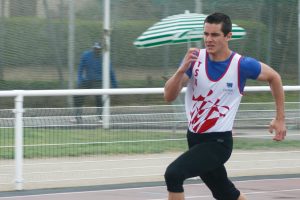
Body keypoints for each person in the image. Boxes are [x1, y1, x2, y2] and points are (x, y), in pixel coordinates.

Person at [163, 12, 286, 200]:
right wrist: (181, 70)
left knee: (174, 174)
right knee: (226, 194)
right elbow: (169, 96)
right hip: (194, 139)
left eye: (215, 35)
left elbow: (274, 77)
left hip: (218, 143)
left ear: (228, 36)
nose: (208, 40)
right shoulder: (194, 60)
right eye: (206, 34)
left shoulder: (241, 65)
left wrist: (280, 119)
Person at [72, 42, 118, 123]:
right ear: (92, 48)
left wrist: (115, 86)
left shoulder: (105, 57)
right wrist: (80, 81)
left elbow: (111, 72)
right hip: (87, 80)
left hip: (98, 81)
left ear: (100, 49)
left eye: (98, 49)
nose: (97, 50)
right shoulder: (86, 55)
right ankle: (77, 117)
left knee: (100, 97)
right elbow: (80, 69)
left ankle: (100, 117)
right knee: (77, 95)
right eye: (95, 48)